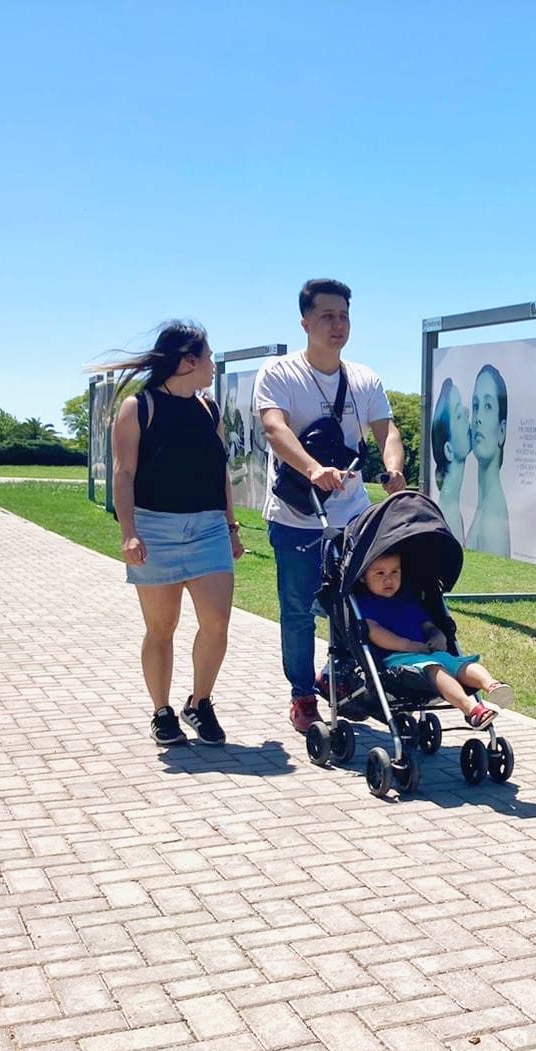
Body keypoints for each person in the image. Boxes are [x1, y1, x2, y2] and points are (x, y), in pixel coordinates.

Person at [256, 278, 407, 733]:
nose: (337, 324)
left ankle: (338, 677)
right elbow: (275, 428)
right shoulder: (279, 373)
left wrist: (394, 469)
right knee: (299, 608)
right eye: (327, 316)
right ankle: (302, 695)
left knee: (354, 601)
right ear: (305, 323)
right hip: (296, 514)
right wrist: (312, 469)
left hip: (352, 514)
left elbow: (387, 431)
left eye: (343, 315)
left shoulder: (364, 379)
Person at [108, 321, 243, 746]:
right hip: (155, 529)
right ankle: (161, 711)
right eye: (208, 358)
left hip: (208, 528)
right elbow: (123, 474)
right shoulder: (138, 407)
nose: (212, 365)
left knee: (216, 623)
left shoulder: (209, 410)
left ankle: (199, 703)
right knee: (162, 627)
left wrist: (231, 527)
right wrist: (128, 532)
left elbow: (220, 473)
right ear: (187, 361)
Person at [356, 551, 512, 729]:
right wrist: (409, 646)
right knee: (435, 669)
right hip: (399, 659)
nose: (389, 579)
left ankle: (493, 685)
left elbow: (427, 625)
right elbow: (375, 632)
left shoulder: (408, 600)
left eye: (395, 572)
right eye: (380, 573)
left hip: (428, 651)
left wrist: (437, 636)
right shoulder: (364, 604)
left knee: (460, 664)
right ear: (363, 577)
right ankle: (471, 709)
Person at [466, 363, 510, 557]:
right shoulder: (485, 505)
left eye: (488, 406)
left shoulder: (494, 517)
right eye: (476, 406)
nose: (478, 418)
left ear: (502, 431)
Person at [429, 377, 470, 541]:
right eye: (459, 415)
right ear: (449, 450)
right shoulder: (449, 515)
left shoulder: (451, 506)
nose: (467, 412)